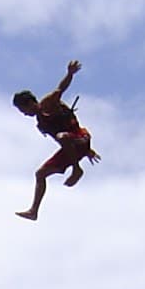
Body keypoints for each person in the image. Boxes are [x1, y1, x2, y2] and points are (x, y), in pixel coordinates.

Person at [13, 59, 99, 220]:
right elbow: (61, 142)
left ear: (31, 103)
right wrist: (84, 151)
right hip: (72, 146)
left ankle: (76, 169)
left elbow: (61, 88)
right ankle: (34, 211)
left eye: (23, 109)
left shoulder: (49, 102)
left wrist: (70, 74)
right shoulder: (41, 123)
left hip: (80, 137)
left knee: (63, 136)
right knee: (40, 174)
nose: (24, 114)